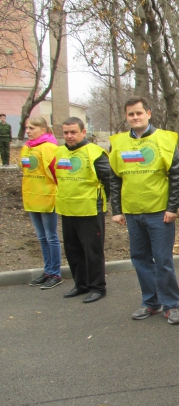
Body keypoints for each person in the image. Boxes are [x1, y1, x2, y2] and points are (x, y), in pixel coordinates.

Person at [109, 96, 179, 325]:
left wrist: (173, 207)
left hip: (159, 212)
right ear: (126, 117)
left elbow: (177, 177)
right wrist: (117, 209)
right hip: (132, 212)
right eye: (130, 114)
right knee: (140, 258)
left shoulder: (165, 140)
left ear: (149, 114)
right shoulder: (119, 143)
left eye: (139, 113)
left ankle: (170, 305)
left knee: (163, 260)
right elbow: (114, 178)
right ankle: (151, 302)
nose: (135, 117)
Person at [54, 117, 111, 303]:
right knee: (73, 250)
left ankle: (97, 287)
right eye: (66, 132)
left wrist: (104, 202)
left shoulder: (94, 152)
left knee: (92, 251)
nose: (69, 136)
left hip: (90, 209)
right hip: (67, 208)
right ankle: (81, 284)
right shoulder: (59, 152)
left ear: (83, 132)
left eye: (73, 132)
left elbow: (109, 180)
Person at [20, 117, 63, 289]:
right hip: (32, 198)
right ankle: (47, 271)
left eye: (32, 128)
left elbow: (57, 174)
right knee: (41, 237)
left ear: (43, 130)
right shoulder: (25, 149)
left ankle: (55, 273)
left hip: (47, 198)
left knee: (51, 236)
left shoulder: (50, 148)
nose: (28, 131)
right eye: (27, 128)